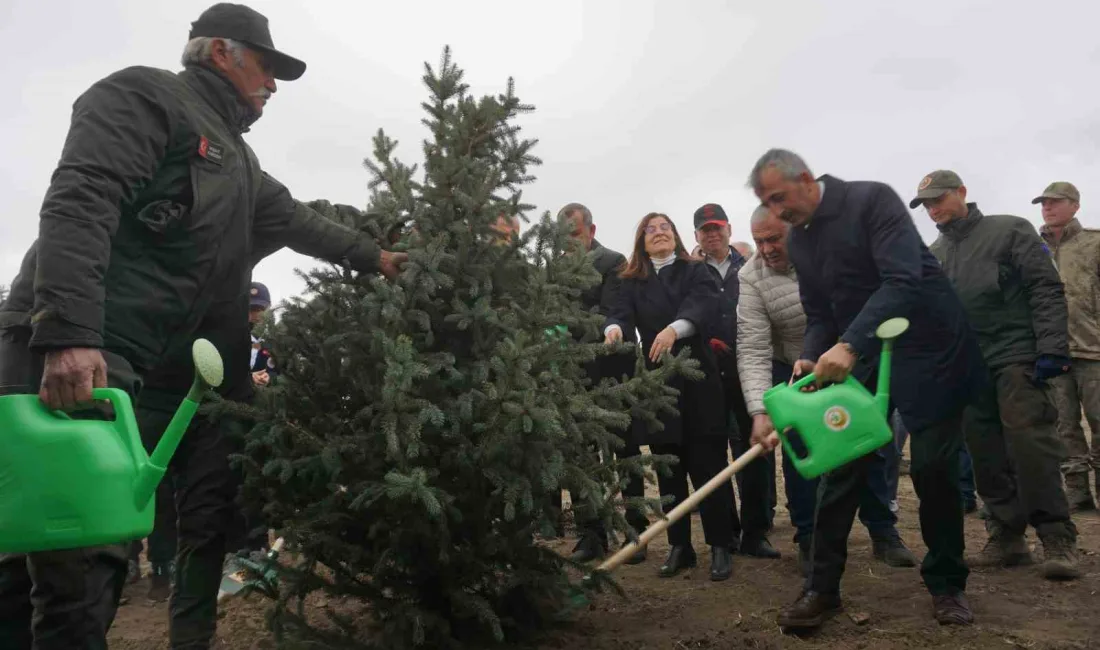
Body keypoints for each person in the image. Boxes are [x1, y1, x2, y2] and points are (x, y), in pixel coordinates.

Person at [0, 4, 407, 648]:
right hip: (77, 355)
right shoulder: (144, 96)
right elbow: (84, 196)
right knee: (70, 565)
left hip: (143, 374)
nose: (272, 84)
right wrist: (70, 333)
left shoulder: (243, 167)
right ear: (222, 52)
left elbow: (303, 222)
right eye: (267, 67)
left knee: (83, 562)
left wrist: (379, 257)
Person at [748, 149, 987, 628]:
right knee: (840, 466)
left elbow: (904, 278)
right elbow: (820, 313)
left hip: (929, 348)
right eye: (766, 204)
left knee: (934, 469)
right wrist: (814, 352)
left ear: (807, 180)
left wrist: (851, 344)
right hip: (865, 355)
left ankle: (946, 584)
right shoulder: (801, 242)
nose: (776, 213)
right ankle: (821, 589)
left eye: (779, 198)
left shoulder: (871, 201)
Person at [912, 170, 1077, 579]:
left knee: (1029, 444)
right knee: (985, 451)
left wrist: (1053, 347)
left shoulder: (1009, 230)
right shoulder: (934, 254)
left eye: (939, 199)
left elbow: (1045, 287)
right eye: (927, 204)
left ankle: (1057, 535)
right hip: (968, 366)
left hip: (1017, 355)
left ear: (962, 193)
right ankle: (1006, 534)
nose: (933, 209)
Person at [736, 205, 916, 577]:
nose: (766, 249)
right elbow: (752, 348)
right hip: (793, 365)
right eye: (758, 241)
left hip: (847, 353)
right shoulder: (750, 276)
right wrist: (760, 410)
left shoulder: (830, 253)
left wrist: (847, 351)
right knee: (803, 447)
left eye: (774, 238)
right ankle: (809, 537)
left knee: (867, 439)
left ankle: (883, 530)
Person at [604, 212, 735, 580]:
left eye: (664, 228)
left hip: (699, 380)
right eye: (650, 229)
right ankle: (680, 546)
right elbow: (619, 314)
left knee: (708, 466)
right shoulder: (632, 280)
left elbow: (702, 308)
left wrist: (673, 331)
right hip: (657, 384)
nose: (658, 233)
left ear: (676, 236)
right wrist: (614, 330)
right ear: (641, 242)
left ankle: (720, 545)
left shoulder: (696, 271)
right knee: (668, 467)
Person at [556, 203, 649, 565]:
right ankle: (591, 534)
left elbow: (609, 314)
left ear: (591, 232)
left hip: (614, 371)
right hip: (573, 375)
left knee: (625, 451)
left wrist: (567, 329)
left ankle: (636, 528)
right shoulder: (553, 271)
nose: (570, 242)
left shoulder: (613, 262)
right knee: (580, 454)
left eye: (576, 233)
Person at [693, 203, 779, 561]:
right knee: (712, 453)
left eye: (717, 228)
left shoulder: (751, 268)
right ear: (696, 235)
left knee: (755, 451)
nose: (712, 234)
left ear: (729, 229)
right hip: (706, 376)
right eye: (705, 230)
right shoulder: (691, 273)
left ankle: (756, 532)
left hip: (748, 371)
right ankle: (725, 532)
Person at [1037, 182, 1100, 512]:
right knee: (1063, 425)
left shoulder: (1094, 243)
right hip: (1052, 350)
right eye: (1044, 203)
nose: (1048, 207)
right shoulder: (1033, 248)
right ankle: (1076, 491)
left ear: (1075, 205)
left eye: (1055, 202)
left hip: (1094, 350)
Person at [248, 282, 278, 387]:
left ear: (268, 309)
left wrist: (269, 378)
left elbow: (284, 373)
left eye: (260, 309)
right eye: (251, 309)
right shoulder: (231, 338)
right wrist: (248, 378)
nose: (256, 314)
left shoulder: (276, 340)